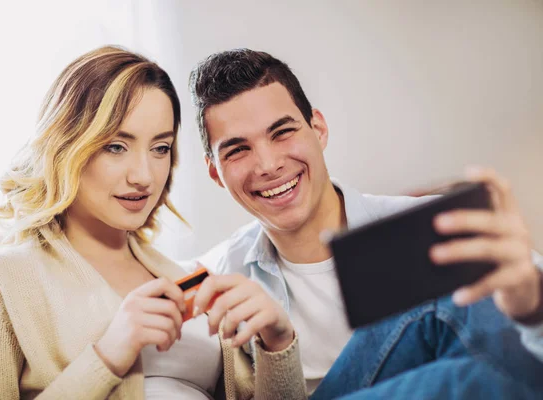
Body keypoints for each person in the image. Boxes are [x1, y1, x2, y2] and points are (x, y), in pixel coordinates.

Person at [0, 46, 306, 400]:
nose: (144, 176)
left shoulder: (192, 278)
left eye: (160, 148)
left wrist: (278, 344)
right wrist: (108, 357)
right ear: (66, 147)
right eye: (116, 146)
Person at [188, 48, 543, 399]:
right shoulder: (217, 275)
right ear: (215, 173)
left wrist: (529, 304)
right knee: (445, 300)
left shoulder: (428, 225)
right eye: (237, 150)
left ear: (319, 129)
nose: (267, 164)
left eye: (282, 132)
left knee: (467, 344)